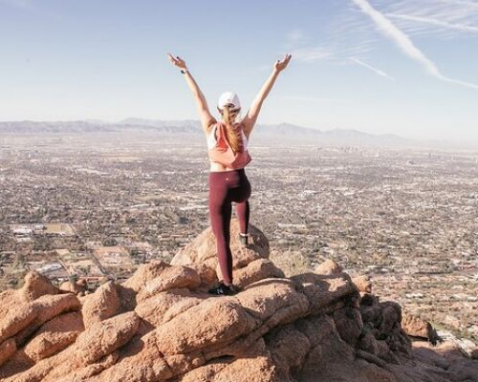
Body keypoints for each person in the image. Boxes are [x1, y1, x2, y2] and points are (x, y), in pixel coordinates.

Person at [168, 52, 292, 295]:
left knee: (222, 237)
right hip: (241, 183)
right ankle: (244, 233)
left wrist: (185, 70)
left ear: (219, 109)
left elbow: (197, 97)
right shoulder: (245, 127)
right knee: (243, 198)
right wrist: (277, 71)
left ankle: (227, 285)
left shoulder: (210, 127)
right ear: (238, 109)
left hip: (220, 186)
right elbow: (261, 99)